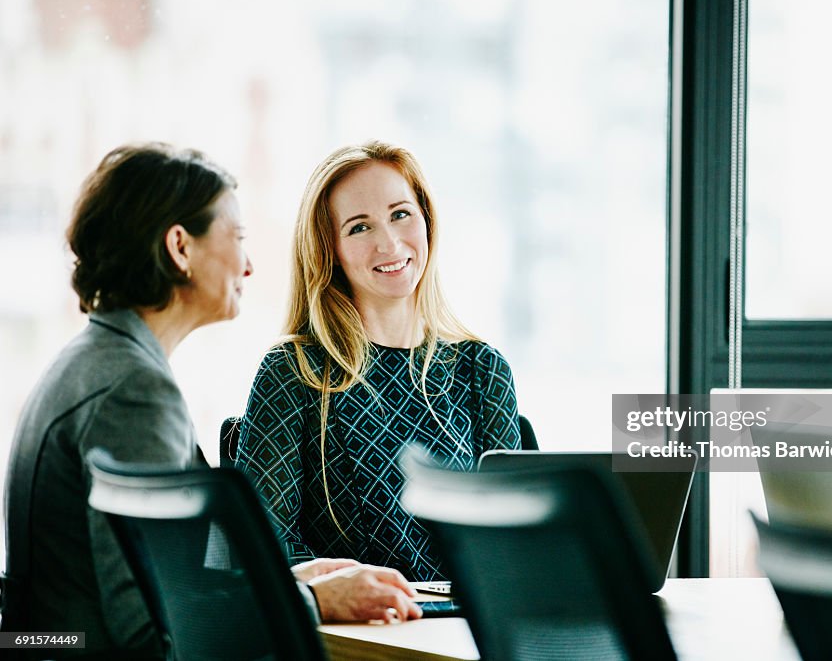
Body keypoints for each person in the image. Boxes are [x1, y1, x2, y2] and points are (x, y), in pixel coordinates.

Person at [1, 144, 420, 660]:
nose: (248, 265)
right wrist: (310, 600)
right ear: (180, 247)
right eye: (238, 238)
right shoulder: (132, 390)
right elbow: (153, 627)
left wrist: (283, 580)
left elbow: (163, 583)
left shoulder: (97, 362)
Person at [236, 140, 521, 582]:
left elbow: (516, 537)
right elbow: (260, 545)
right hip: (357, 634)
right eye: (359, 227)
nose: (389, 242)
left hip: (469, 631)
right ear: (328, 250)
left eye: (400, 214)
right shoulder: (293, 370)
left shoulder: (482, 368)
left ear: (426, 221)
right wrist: (338, 587)